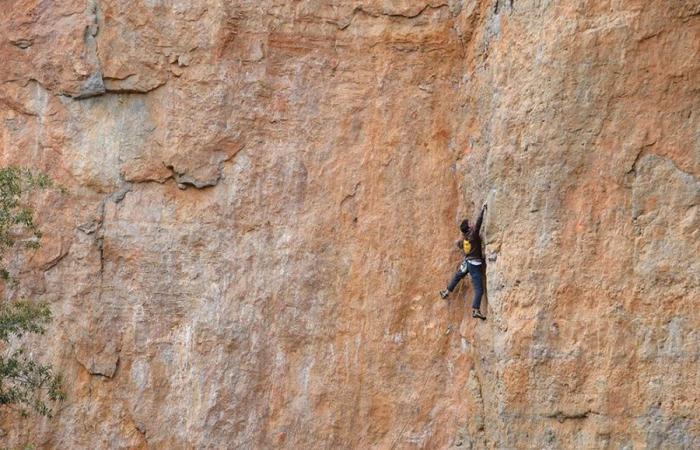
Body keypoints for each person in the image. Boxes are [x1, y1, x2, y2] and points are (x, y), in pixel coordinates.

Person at [440, 204, 488, 320]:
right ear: (469, 228)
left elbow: (460, 244)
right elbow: (478, 224)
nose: (472, 224)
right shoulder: (473, 235)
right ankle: (476, 310)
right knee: (479, 289)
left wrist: (458, 243)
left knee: (458, 276)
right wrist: (482, 210)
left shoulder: (465, 238)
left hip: (467, 262)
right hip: (474, 265)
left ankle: (446, 292)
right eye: (470, 224)